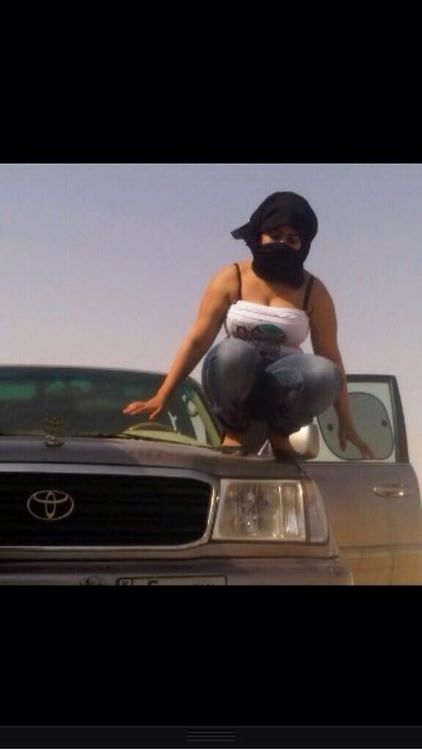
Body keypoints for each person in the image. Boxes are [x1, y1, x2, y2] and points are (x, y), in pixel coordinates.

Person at [123, 191, 374, 459]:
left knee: (326, 372)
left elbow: (331, 356)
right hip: (235, 380)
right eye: (275, 235)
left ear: (303, 246)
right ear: (259, 235)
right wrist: (163, 394)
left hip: (282, 385)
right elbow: (197, 341)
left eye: (292, 240)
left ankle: (280, 434)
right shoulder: (232, 277)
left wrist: (347, 422)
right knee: (234, 352)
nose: (282, 244)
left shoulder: (314, 291)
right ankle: (234, 432)